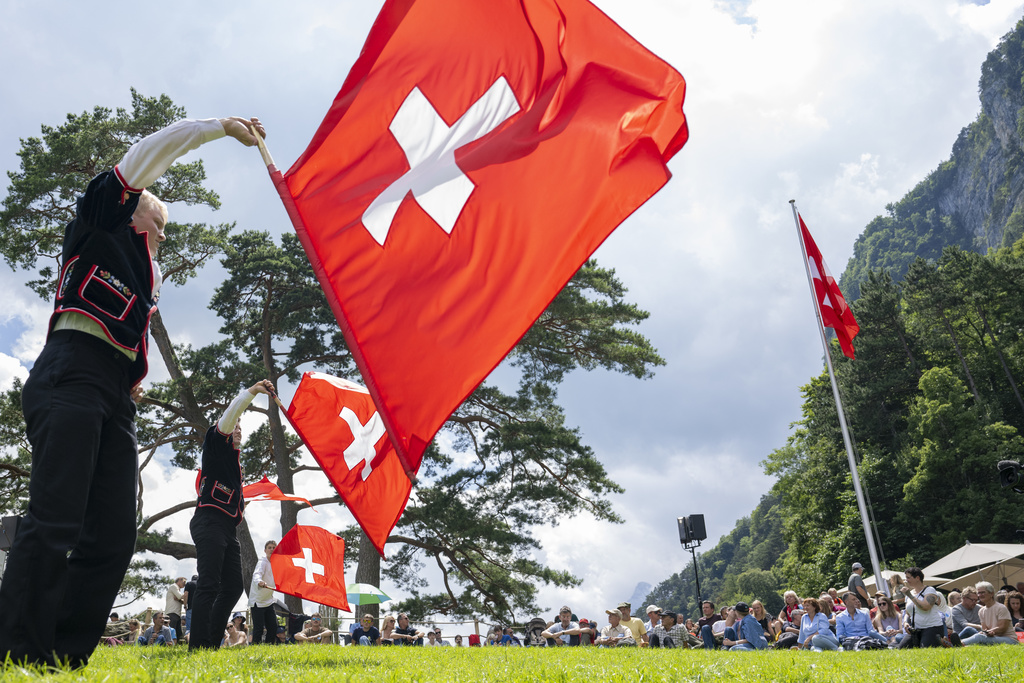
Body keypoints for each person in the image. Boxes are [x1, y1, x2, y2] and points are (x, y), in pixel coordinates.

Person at [0, 115, 265, 669]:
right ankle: (18, 651)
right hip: (70, 373)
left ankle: (63, 659)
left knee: (115, 534)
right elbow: (148, 154)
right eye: (158, 219)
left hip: (112, 395)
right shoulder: (98, 222)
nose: (164, 232)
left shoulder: (146, 276)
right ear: (131, 205)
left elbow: (131, 322)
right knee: (54, 520)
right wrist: (220, 128)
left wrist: (132, 380)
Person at [189, 379, 275, 651]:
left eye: (240, 428)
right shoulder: (215, 443)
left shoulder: (234, 465)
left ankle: (211, 643)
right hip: (209, 522)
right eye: (234, 426)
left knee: (234, 586)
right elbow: (228, 417)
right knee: (209, 583)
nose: (237, 430)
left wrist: (240, 505)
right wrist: (251, 392)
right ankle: (198, 646)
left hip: (227, 529)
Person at [897, 566, 944, 648]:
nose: (906, 580)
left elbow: (926, 607)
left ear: (917, 578)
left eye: (908, 578)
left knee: (925, 650)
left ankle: (942, 642)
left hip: (932, 627)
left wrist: (910, 595)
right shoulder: (910, 593)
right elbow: (907, 612)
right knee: (902, 649)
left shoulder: (930, 590)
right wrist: (905, 622)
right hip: (916, 630)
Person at [249, 539, 278, 644]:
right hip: (258, 601)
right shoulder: (262, 562)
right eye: (269, 548)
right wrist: (259, 581)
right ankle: (255, 649)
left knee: (273, 626)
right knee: (258, 629)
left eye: (274, 548)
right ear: (265, 550)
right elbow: (257, 574)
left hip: (268, 600)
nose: (271, 550)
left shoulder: (277, 564)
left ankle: (268, 647)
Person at [164, 577, 186, 645]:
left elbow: (180, 599)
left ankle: (178, 645)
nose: (184, 584)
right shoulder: (174, 586)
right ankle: (169, 644)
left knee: (178, 632)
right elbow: (180, 596)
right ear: (179, 580)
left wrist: (180, 599)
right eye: (184, 582)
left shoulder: (177, 589)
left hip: (176, 613)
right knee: (171, 630)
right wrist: (187, 594)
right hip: (172, 612)